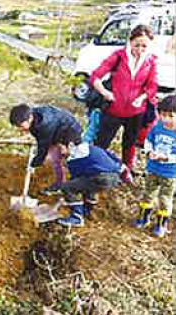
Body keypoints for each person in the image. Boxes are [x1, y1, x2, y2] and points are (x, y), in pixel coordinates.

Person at [91, 24, 158, 177]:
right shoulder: (118, 56)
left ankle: (127, 169)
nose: (140, 50)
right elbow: (95, 76)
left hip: (136, 112)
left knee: (130, 143)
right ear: (130, 41)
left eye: (144, 46)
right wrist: (105, 92)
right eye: (137, 45)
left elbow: (153, 86)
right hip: (113, 110)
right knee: (102, 142)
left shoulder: (151, 61)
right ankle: (96, 167)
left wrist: (142, 97)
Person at [9, 104, 82, 196]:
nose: (19, 128)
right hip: (55, 131)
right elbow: (41, 140)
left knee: (71, 158)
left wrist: (35, 163)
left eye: (20, 125)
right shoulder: (34, 116)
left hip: (70, 131)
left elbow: (43, 148)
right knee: (55, 159)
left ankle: (76, 186)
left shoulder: (44, 126)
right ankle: (60, 184)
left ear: (30, 118)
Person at [133, 95, 176, 238]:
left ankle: (161, 224)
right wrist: (149, 151)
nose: (166, 119)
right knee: (148, 193)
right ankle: (143, 218)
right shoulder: (157, 128)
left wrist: (165, 158)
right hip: (153, 169)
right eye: (163, 115)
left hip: (170, 173)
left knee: (165, 199)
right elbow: (148, 141)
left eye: (171, 116)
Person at [56, 141, 125, 227]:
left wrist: (58, 189)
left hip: (102, 178)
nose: (60, 154)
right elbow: (114, 159)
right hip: (115, 177)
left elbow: (74, 181)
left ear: (69, 145)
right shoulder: (91, 147)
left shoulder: (73, 159)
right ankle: (87, 210)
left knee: (68, 187)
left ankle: (76, 217)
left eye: (60, 149)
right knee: (87, 183)